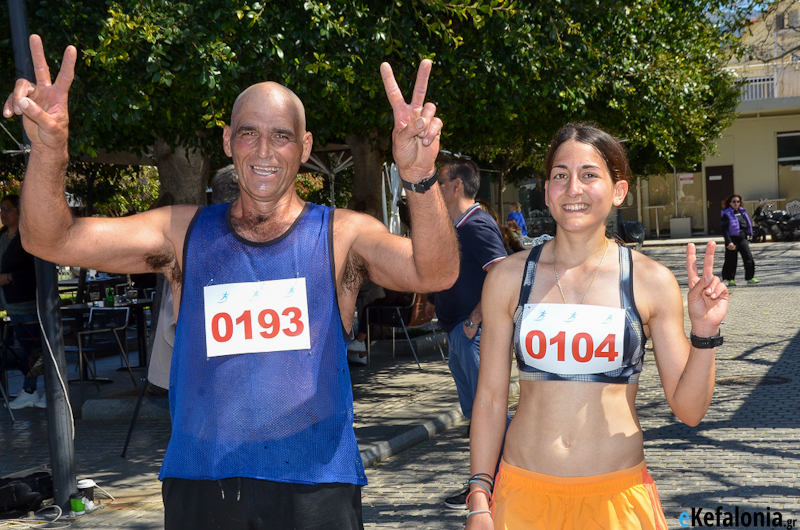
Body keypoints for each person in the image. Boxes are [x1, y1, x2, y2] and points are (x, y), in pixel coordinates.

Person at [5, 35, 459, 530]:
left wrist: (420, 177)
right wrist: (48, 150)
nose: (264, 151)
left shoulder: (341, 236)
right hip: (204, 485)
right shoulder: (181, 233)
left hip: (316, 486)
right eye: (248, 133)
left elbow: (435, 272)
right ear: (227, 141)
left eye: (281, 136)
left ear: (305, 147)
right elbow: (49, 238)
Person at [465, 122, 728, 529]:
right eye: (560, 175)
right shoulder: (508, 278)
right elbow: (490, 399)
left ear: (618, 191)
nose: (573, 188)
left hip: (617, 499)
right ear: (547, 191)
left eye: (589, 175)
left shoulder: (651, 281)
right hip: (522, 496)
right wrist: (479, 495)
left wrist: (705, 333)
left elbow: (689, 410)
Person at [427, 159, 508, 509]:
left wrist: (475, 319)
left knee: (487, 413)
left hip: (474, 333)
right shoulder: (458, 225)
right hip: (461, 332)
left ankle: (498, 486)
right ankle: (489, 485)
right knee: (478, 414)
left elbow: (501, 273)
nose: (436, 188)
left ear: (456, 184)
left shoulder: (476, 224)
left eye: (440, 182)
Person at [0, 194, 44, 409]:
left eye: (8, 209)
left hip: (27, 301)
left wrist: (10, 277)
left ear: (20, 211)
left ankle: (38, 389)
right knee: (25, 349)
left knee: (36, 349)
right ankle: (31, 390)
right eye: (1, 209)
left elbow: (35, 270)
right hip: (9, 303)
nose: (3, 213)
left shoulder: (28, 238)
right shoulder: (2, 237)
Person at [720, 194, 758, 286]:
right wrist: (729, 242)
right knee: (731, 260)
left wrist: (749, 234)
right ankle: (730, 279)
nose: (736, 203)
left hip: (742, 239)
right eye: (734, 201)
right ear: (730, 203)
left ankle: (750, 277)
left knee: (748, 257)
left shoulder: (742, 212)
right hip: (732, 240)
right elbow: (724, 230)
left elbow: (746, 225)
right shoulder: (726, 214)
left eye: (738, 201)